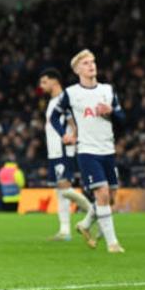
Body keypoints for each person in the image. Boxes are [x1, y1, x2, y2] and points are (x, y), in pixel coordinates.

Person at [50, 49, 125, 253]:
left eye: (93, 62)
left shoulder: (108, 90)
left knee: (110, 197)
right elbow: (54, 117)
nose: (91, 65)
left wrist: (112, 112)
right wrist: (63, 134)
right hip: (87, 150)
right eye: (85, 63)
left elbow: (123, 119)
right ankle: (112, 243)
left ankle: (84, 224)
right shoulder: (71, 93)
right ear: (77, 70)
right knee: (101, 193)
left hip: (108, 149)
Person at [39, 68, 91, 240]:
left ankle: (93, 210)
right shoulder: (53, 101)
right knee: (59, 191)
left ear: (55, 81)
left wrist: (72, 136)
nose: (42, 86)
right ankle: (65, 231)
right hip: (54, 151)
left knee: (65, 188)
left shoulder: (63, 99)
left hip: (62, 150)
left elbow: (73, 121)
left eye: (44, 82)